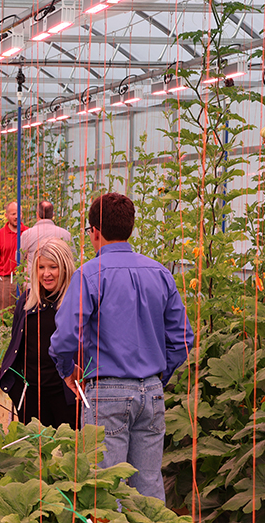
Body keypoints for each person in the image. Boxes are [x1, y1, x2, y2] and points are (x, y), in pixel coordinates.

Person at [49, 193, 193, 502]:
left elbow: (63, 340)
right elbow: (182, 339)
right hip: (151, 394)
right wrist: (156, 378)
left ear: (94, 232)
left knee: (106, 489)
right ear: (130, 228)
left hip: (107, 393)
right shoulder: (160, 273)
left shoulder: (89, 274)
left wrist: (68, 371)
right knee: (149, 487)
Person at [0, 238, 79, 429]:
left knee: (65, 452)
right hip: (31, 395)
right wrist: (18, 388)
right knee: (33, 454)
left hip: (65, 396)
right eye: (41, 267)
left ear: (65, 268)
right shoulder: (27, 301)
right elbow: (17, 343)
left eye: (53, 267)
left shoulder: (76, 303)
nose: (46, 274)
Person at [0, 201, 28, 310]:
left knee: (26, 315)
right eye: (13, 214)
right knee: (5, 316)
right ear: (6, 216)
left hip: (25, 280)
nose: (16, 217)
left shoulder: (28, 233)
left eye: (19, 214)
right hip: (5, 281)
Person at [20, 200, 73, 275]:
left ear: (37, 215)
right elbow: (72, 258)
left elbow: (19, 258)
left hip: (33, 281)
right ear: (53, 215)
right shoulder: (65, 234)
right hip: (58, 281)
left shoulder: (27, 234)